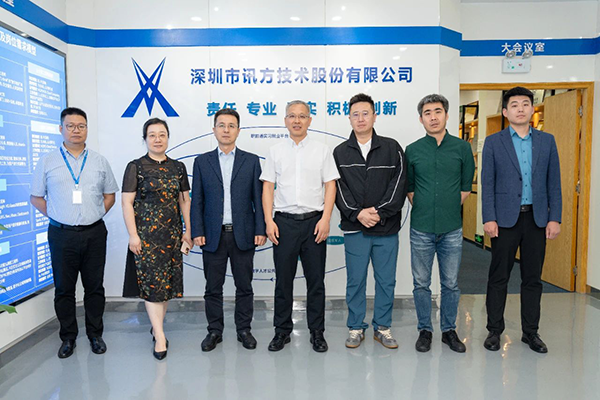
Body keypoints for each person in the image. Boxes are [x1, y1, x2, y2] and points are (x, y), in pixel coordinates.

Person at [30, 107, 119, 359]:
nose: (76, 130)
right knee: (64, 289)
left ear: (87, 129)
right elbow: (36, 197)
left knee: (95, 287)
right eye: (70, 126)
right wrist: (58, 216)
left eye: (81, 126)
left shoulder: (99, 161)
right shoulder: (48, 161)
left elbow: (110, 195)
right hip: (61, 235)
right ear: (61, 129)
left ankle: (95, 334)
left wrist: (95, 214)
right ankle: (68, 337)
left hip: (94, 233)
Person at [482, 86, 562, 354]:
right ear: (505, 112)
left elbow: (554, 183)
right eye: (514, 105)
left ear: (532, 109)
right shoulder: (494, 142)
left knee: (533, 279)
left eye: (525, 104)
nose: (520, 109)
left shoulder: (547, 141)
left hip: (537, 219)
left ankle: (531, 332)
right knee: (498, 277)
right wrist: (489, 217)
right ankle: (494, 330)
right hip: (504, 220)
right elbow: (488, 183)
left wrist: (554, 218)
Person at [261, 100, 339, 352]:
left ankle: (317, 332)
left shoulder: (322, 150)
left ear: (309, 120)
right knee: (283, 281)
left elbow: (330, 185)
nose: (297, 120)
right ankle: (281, 331)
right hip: (283, 223)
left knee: (316, 281)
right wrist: (269, 220)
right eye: (292, 116)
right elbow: (268, 187)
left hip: (314, 223)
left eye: (302, 116)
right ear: (285, 120)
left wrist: (326, 219)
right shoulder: (275, 151)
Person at [333, 93, 408, 349]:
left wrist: (378, 211)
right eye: (355, 114)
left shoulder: (392, 148)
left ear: (375, 116)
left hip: (386, 228)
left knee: (386, 281)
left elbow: (399, 184)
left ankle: (383, 327)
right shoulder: (340, 152)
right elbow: (338, 189)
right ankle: (355, 327)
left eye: (366, 113)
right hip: (355, 229)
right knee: (356, 280)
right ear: (349, 118)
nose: (361, 118)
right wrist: (358, 214)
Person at [190, 108, 266, 352]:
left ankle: (244, 329)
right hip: (212, 236)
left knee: (244, 286)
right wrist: (197, 231)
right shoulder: (202, 162)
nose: (226, 130)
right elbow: (197, 200)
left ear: (238, 131)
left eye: (231, 126)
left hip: (243, 234)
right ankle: (215, 330)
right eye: (221, 125)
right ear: (214, 130)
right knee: (213, 288)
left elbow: (259, 199)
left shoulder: (251, 161)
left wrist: (261, 229)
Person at [406, 94, 475, 353]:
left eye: (437, 111)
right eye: (427, 113)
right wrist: (427, 206)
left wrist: (445, 207)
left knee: (450, 284)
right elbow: (410, 188)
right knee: (421, 283)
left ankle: (449, 330)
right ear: (421, 119)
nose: (433, 117)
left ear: (446, 115)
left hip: (451, 228)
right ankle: (425, 330)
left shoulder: (462, 148)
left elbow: (465, 187)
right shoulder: (413, 150)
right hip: (421, 228)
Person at [121, 117, 192, 360]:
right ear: (145, 139)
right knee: (152, 287)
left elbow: (184, 201)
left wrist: (188, 231)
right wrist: (133, 235)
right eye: (152, 135)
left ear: (168, 138)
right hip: (146, 237)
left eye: (162, 134)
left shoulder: (178, 167)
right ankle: (160, 336)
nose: (157, 139)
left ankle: (156, 327)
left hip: (172, 236)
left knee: (166, 286)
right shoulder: (136, 167)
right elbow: (127, 202)